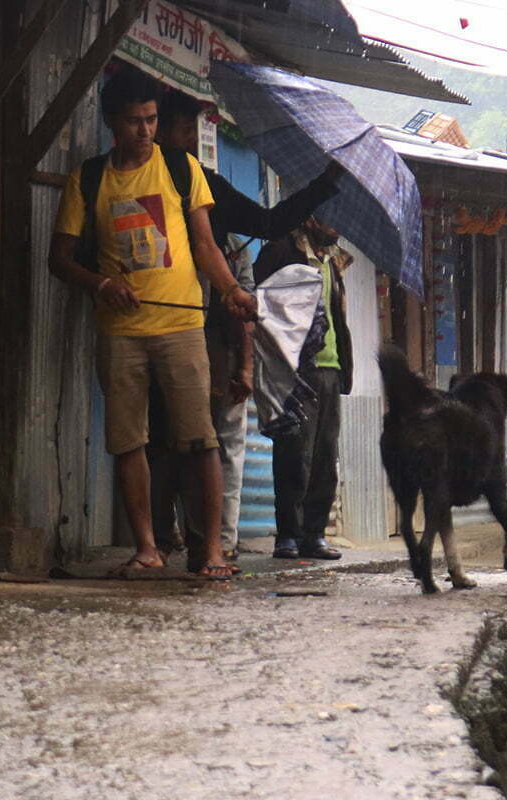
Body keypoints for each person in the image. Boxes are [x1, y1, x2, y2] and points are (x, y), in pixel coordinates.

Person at [48, 68, 256, 578]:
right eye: (135, 122)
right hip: (120, 330)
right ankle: (146, 548)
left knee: (201, 438)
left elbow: (206, 245)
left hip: (182, 328)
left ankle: (210, 554)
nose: (145, 131)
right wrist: (99, 284)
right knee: (128, 441)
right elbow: (59, 259)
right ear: (112, 124)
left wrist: (230, 291)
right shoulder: (89, 178)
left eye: (152, 120)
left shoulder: (183, 168)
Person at [147, 90, 342, 565]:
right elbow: (269, 223)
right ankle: (175, 540)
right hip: (165, 319)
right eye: (184, 130)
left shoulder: (201, 181)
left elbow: (267, 221)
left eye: (194, 132)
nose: (190, 141)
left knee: (186, 436)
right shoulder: (142, 178)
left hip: (192, 324)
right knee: (178, 437)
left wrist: (324, 185)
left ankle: (197, 542)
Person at [256, 218, 353, 560]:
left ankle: (314, 534)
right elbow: (261, 304)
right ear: (311, 218)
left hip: (331, 367)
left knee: (326, 457)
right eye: (332, 219)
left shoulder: (334, 260)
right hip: (295, 368)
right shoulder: (283, 252)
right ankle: (288, 535)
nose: (337, 227)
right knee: (294, 452)